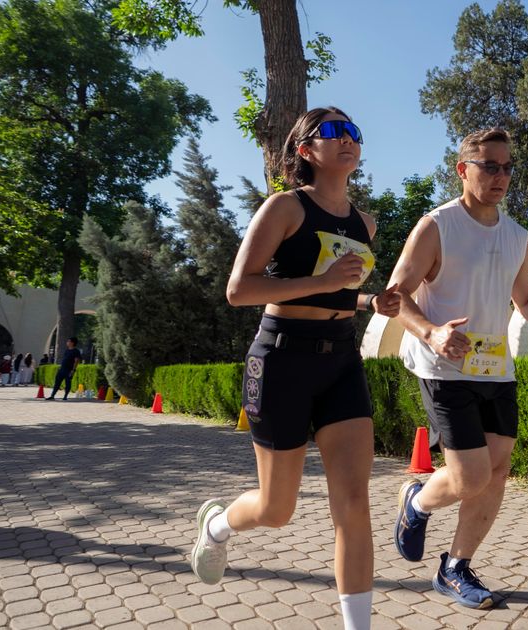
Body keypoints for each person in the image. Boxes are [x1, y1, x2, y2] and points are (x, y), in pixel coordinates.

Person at [188, 107, 401, 630]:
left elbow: (339, 293)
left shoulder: (364, 223)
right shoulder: (284, 208)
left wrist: (369, 301)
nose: (347, 139)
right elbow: (240, 291)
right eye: (332, 132)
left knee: (353, 501)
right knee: (276, 510)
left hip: (341, 361)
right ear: (305, 150)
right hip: (281, 357)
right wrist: (324, 281)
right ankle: (217, 524)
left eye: (353, 130)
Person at [388, 127, 528, 609]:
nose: (501, 176)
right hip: (443, 365)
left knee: (495, 473)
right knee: (471, 477)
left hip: (496, 368)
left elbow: (527, 301)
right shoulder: (437, 226)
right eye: (490, 166)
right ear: (463, 170)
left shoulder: (518, 235)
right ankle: (416, 502)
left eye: (508, 167)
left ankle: (455, 568)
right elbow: (395, 297)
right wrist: (431, 331)